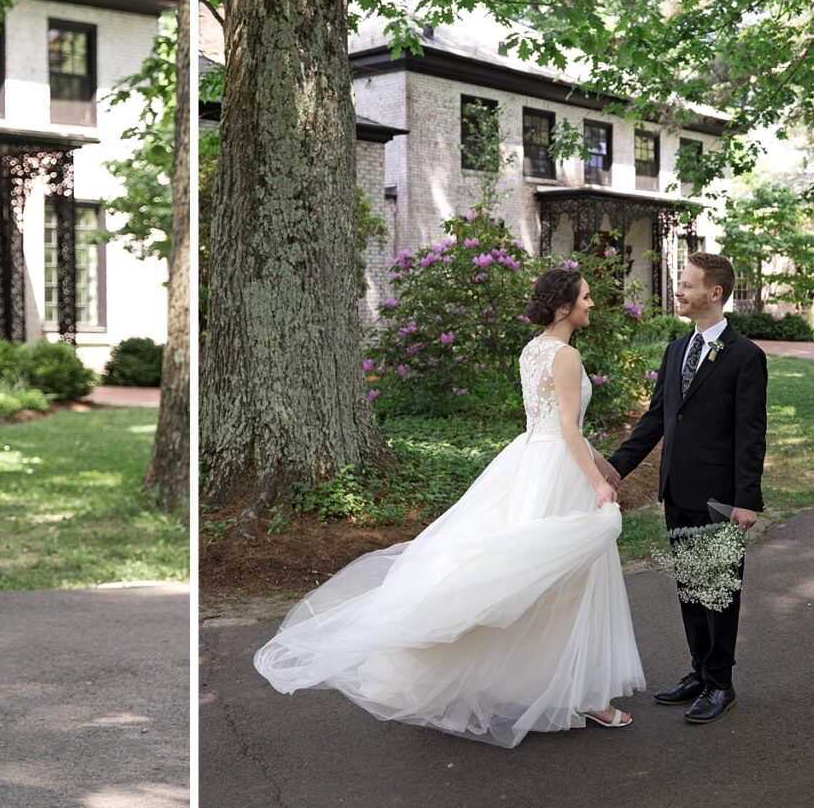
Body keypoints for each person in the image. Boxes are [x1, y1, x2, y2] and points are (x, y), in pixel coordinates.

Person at [254, 267, 644, 746]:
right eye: (585, 297)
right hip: (558, 472)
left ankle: (568, 686)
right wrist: (598, 485)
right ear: (564, 307)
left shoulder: (532, 350)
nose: (590, 304)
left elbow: (558, 426)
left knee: (538, 578)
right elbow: (567, 428)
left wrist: (605, 467)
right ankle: (583, 694)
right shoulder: (564, 355)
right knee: (564, 579)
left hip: (532, 463)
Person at [605, 251, 766, 725]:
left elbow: (751, 433)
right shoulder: (676, 351)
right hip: (677, 490)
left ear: (714, 294)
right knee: (692, 588)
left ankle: (721, 683)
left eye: (687, 284)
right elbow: (656, 418)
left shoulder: (745, 357)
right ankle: (700, 671)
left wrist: (745, 500)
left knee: (719, 592)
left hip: (719, 497)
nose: (679, 290)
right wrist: (616, 469)